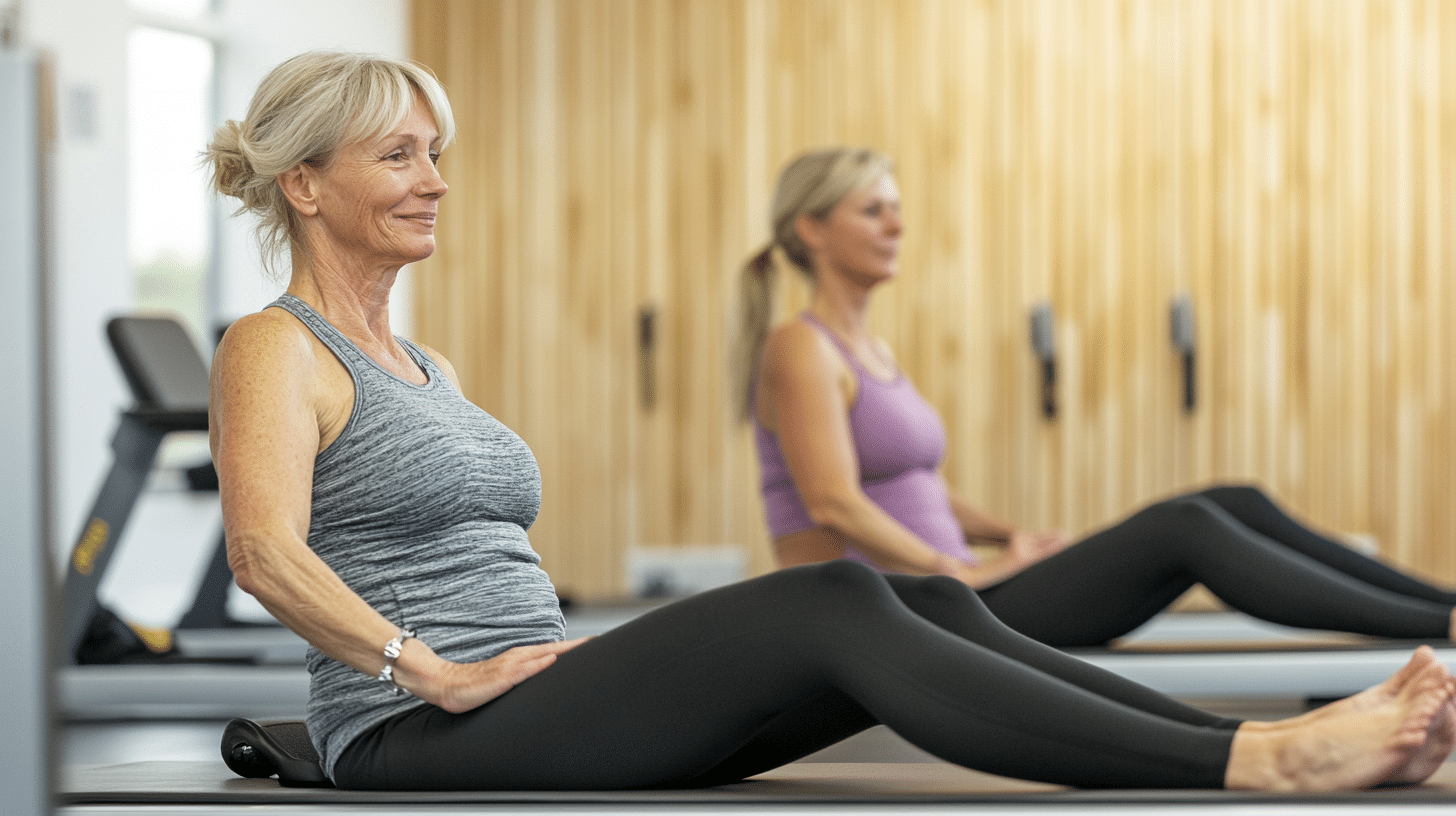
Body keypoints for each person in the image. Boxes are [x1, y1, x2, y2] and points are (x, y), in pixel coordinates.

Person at [206, 51, 1453, 793]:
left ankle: (1252, 743)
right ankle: (1262, 768)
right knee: (835, 596)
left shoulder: (425, 357)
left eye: (436, 155)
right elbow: (265, 552)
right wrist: (424, 669)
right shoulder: (274, 347)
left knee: (936, 600)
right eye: (396, 158)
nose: (432, 181)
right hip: (420, 737)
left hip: (533, 697)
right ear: (305, 183)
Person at [737, 146, 1456, 649]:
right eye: (873, 211)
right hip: (914, 608)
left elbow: (916, 483)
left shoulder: (872, 351)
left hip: (956, 588)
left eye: (896, 208)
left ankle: (1444, 606)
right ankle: (1440, 624)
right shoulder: (799, 347)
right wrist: (957, 569)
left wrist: (1011, 536)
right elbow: (834, 502)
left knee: (1234, 499)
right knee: (1187, 528)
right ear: (812, 229)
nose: (897, 225)